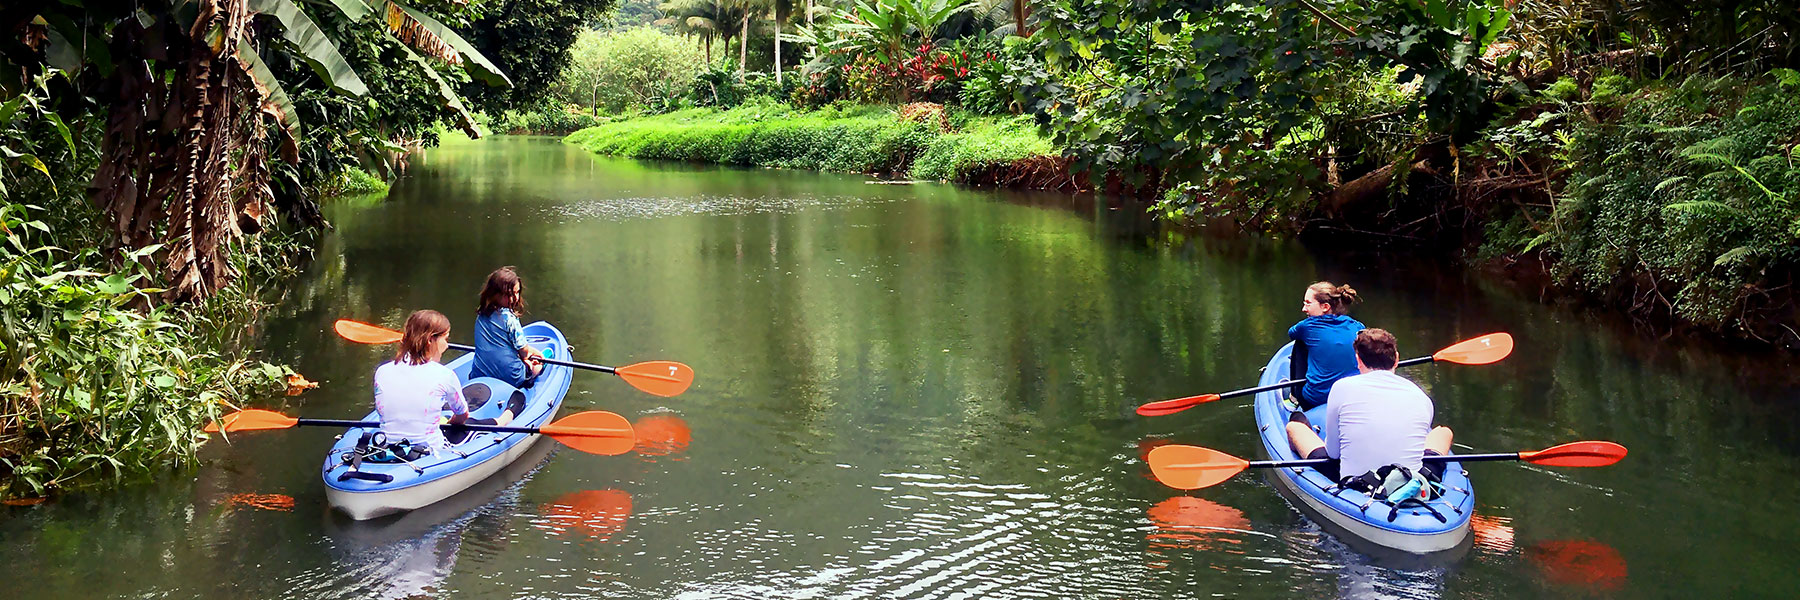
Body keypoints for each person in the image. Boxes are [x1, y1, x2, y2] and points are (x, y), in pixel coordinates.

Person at [1286, 328, 1454, 487]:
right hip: (1409, 481)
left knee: (1295, 427)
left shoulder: (1341, 387)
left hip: (1356, 482)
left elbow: (1333, 454)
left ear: (1358, 360)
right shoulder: (1420, 396)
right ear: (1396, 358)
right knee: (1443, 432)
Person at [375, 310, 517, 452]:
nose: (447, 346)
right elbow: (462, 415)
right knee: (470, 424)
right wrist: (449, 422)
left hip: (387, 447)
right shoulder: (444, 375)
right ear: (430, 340)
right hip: (429, 450)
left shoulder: (381, 371)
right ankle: (505, 418)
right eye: (445, 339)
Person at [1287, 281, 1365, 410]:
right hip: (1351, 396)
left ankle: (1294, 397)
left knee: (1300, 342)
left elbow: (1292, 333)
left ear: (1325, 307)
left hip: (1315, 399)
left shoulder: (1307, 326)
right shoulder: (1358, 326)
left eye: (1308, 303)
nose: (1304, 309)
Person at [471, 267, 545, 389]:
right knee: (538, 367)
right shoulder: (509, 319)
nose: (515, 298)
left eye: (517, 292)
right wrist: (528, 357)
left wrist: (529, 353)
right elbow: (524, 351)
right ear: (494, 294)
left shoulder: (481, 315)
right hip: (510, 377)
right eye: (510, 294)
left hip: (479, 374)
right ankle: (532, 373)